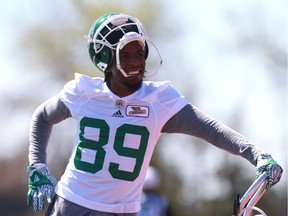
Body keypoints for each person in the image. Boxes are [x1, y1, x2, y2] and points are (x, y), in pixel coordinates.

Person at [27, 13, 283, 216]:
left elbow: (211, 129)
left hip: (124, 210)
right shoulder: (84, 92)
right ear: (105, 59)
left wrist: (256, 154)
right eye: (125, 56)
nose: (136, 62)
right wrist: (37, 165)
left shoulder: (159, 101)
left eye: (140, 53)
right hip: (72, 204)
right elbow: (42, 116)